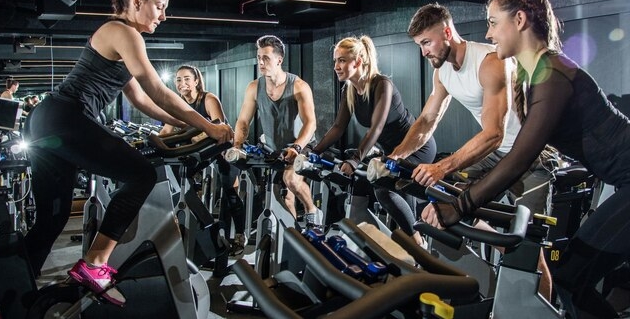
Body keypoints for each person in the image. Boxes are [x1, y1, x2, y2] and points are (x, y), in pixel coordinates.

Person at [421, 0, 630, 318]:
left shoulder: (552, 74)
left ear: (519, 19)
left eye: (493, 23)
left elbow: (521, 157)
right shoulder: (537, 73)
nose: (489, 34)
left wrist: (459, 207)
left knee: (568, 280)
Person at [23, 0, 233, 306]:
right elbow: (158, 90)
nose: (164, 16)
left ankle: (9, 297)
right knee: (141, 175)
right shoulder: (122, 31)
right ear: (137, 2)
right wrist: (207, 126)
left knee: (52, 219)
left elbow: (140, 99)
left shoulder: (119, 37)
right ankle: (95, 263)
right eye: (160, 7)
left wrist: (183, 125)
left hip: (48, 123)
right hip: (67, 117)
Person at [388, 3, 554, 298]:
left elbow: (493, 133)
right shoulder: (443, 73)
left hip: (530, 157)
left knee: (529, 252)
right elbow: (427, 120)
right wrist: (396, 156)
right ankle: (500, 251)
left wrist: (441, 167)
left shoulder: (488, 61)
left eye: (427, 42)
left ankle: (540, 305)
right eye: (419, 45)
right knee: (444, 202)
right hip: (498, 153)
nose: (424, 52)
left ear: (447, 32)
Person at [312, 35, 436, 245]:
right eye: (335, 61)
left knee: (383, 189)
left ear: (358, 61)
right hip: (392, 153)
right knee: (391, 194)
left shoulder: (382, 85)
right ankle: (411, 246)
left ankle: (418, 243)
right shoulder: (350, 90)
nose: (336, 66)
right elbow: (337, 127)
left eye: (342, 60)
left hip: (415, 148)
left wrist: (355, 159)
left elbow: (376, 128)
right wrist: (313, 152)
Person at [232, 35, 321, 225]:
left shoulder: (298, 86)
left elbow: (310, 123)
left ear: (279, 60)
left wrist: (296, 148)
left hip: (301, 144)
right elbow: (243, 122)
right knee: (282, 196)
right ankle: (292, 233)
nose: (261, 62)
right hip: (274, 147)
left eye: (266, 58)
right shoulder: (254, 87)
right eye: (259, 58)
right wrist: (237, 145)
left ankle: (312, 210)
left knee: (291, 179)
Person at [160, 65, 246, 252]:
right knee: (181, 181)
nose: (182, 83)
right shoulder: (178, 103)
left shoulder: (208, 99)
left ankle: (239, 236)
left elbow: (219, 128)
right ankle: (205, 226)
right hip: (201, 151)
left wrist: (191, 137)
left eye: (187, 79)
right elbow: (166, 132)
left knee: (230, 192)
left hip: (223, 149)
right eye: (178, 79)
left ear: (196, 81)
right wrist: (151, 143)